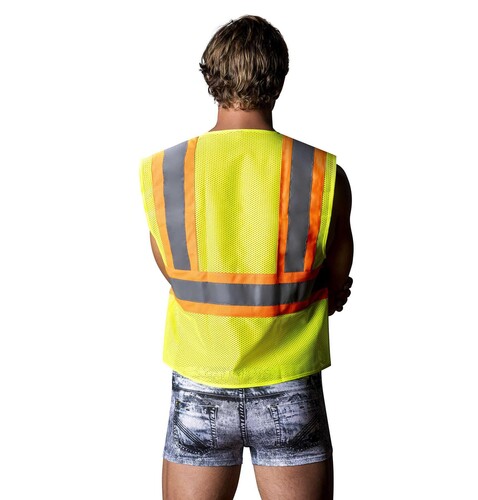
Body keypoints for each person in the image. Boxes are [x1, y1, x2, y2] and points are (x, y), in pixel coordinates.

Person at [138, 14, 353, 500]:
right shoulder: (322, 174)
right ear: (279, 79)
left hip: (200, 382)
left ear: (210, 75)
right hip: (290, 382)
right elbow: (336, 283)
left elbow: (173, 272)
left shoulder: (166, 172)